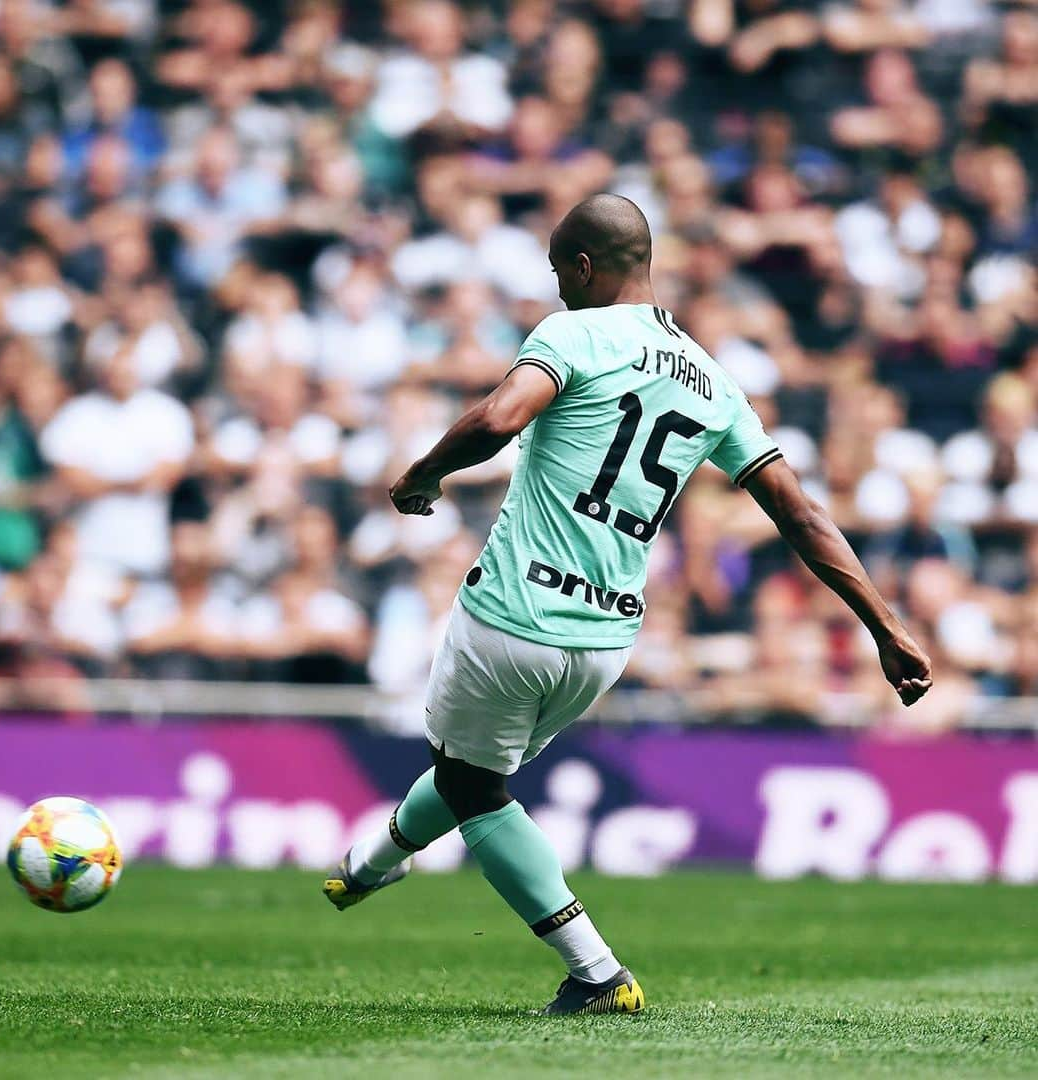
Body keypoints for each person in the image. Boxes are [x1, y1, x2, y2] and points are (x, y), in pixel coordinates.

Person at [330, 193, 933, 1015]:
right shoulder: (715, 380)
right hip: (607, 639)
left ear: (583, 267)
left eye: (557, 272)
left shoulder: (572, 334)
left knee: (475, 790)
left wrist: (421, 475)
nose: (555, 287)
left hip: (513, 614)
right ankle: (371, 863)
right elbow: (800, 513)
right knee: (474, 770)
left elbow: (502, 417)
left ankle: (595, 971)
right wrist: (886, 627)